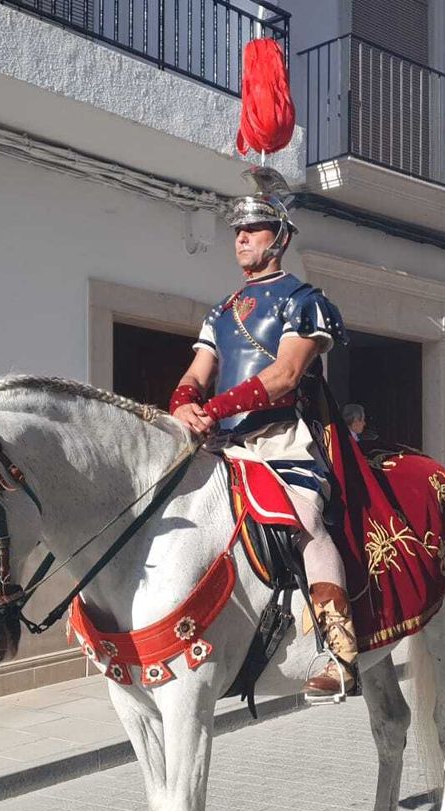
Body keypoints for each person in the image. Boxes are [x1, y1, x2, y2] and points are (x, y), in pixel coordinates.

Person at [168, 166, 359, 700]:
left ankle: (338, 651)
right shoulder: (221, 312)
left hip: (283, 440)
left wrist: (217, 406)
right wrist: (184, 404)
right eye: (237, 232)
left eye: (252, 231)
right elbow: (196, 372)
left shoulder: (305, 301)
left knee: (306, 523)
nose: (241, 240)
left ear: (279, 238)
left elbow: (285, 375)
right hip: (223, 444)